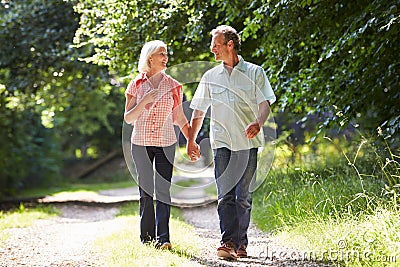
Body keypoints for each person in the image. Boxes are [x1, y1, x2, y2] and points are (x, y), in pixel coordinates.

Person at [186, 25, 276, 260]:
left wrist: (258, 122)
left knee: (242, 197)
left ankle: (241, 243)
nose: (212, 49)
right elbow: (199, 111)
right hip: (222, 142)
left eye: (216, 44)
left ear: (230, 45)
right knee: (225, 194)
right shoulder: (210, 76)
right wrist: (191, 140)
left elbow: (264, 103)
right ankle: (227, 242)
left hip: (248, 142)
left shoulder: (255, 72)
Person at [124, 40, 191, 250]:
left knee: (163, 190)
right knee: (146, 191)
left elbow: (179, 117)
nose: (165, 58)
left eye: (166, 54)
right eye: (161, 54)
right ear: (150, 58)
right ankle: (147, 239)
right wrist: (143, 102)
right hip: (141, 144)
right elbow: (128, 118)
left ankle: (164, 239)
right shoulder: (136, 84)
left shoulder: (174, 86)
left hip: (166, 143)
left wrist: (191, 140)